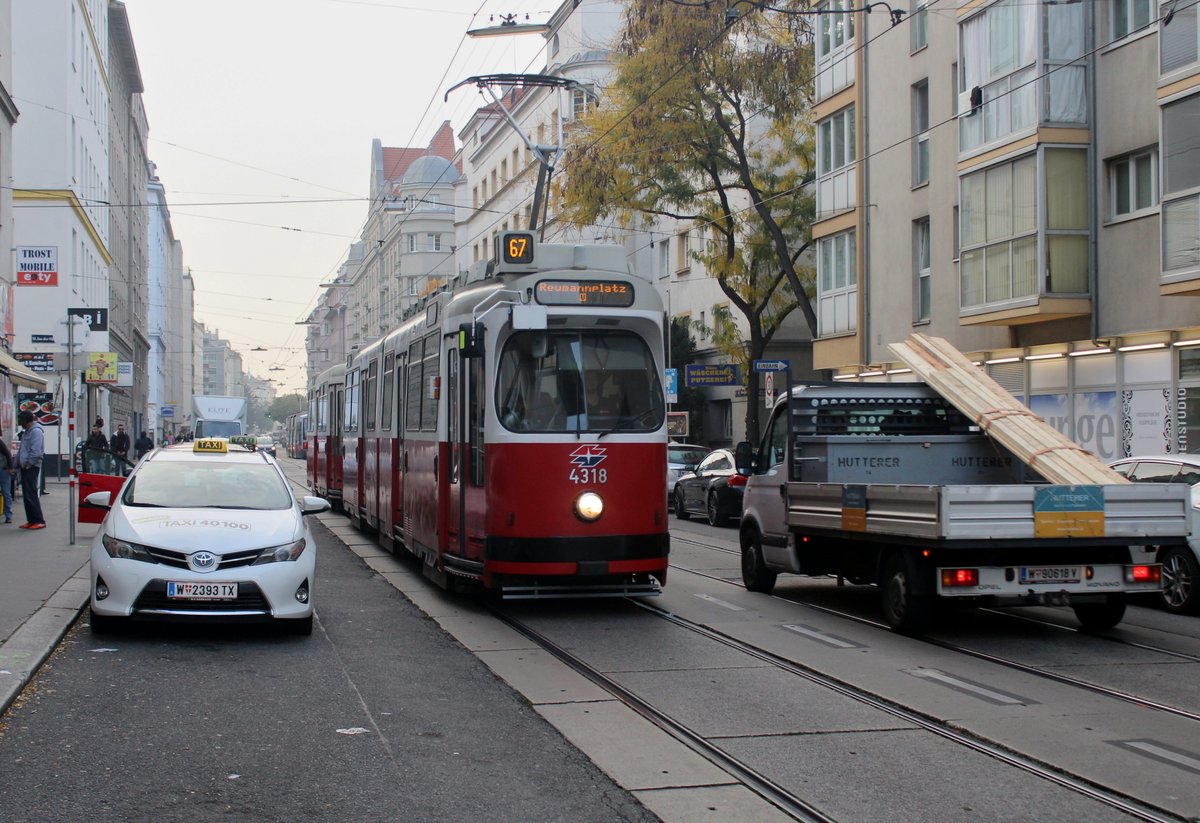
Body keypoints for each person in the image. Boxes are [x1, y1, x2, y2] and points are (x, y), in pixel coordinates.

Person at [15, 410, 45, 529]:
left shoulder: (36, 432)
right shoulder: (26, 432)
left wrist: (28, 464)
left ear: (26, 420)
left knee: (31, 494)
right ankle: (31, 520)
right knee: (27, 495)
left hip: (31, 467)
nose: (19, 423)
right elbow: (21, 450)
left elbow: (36, 451)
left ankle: (39, 520)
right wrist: (15, 464)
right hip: (24, 467)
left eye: (21, 421)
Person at [0, 425, 14, 524]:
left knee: (6, 492)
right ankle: (7, 515)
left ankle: (8, 515)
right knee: (6, 492)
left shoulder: (0, 443)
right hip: (3, 469)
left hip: (3, 470)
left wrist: (10, 468)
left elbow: (8, 454)